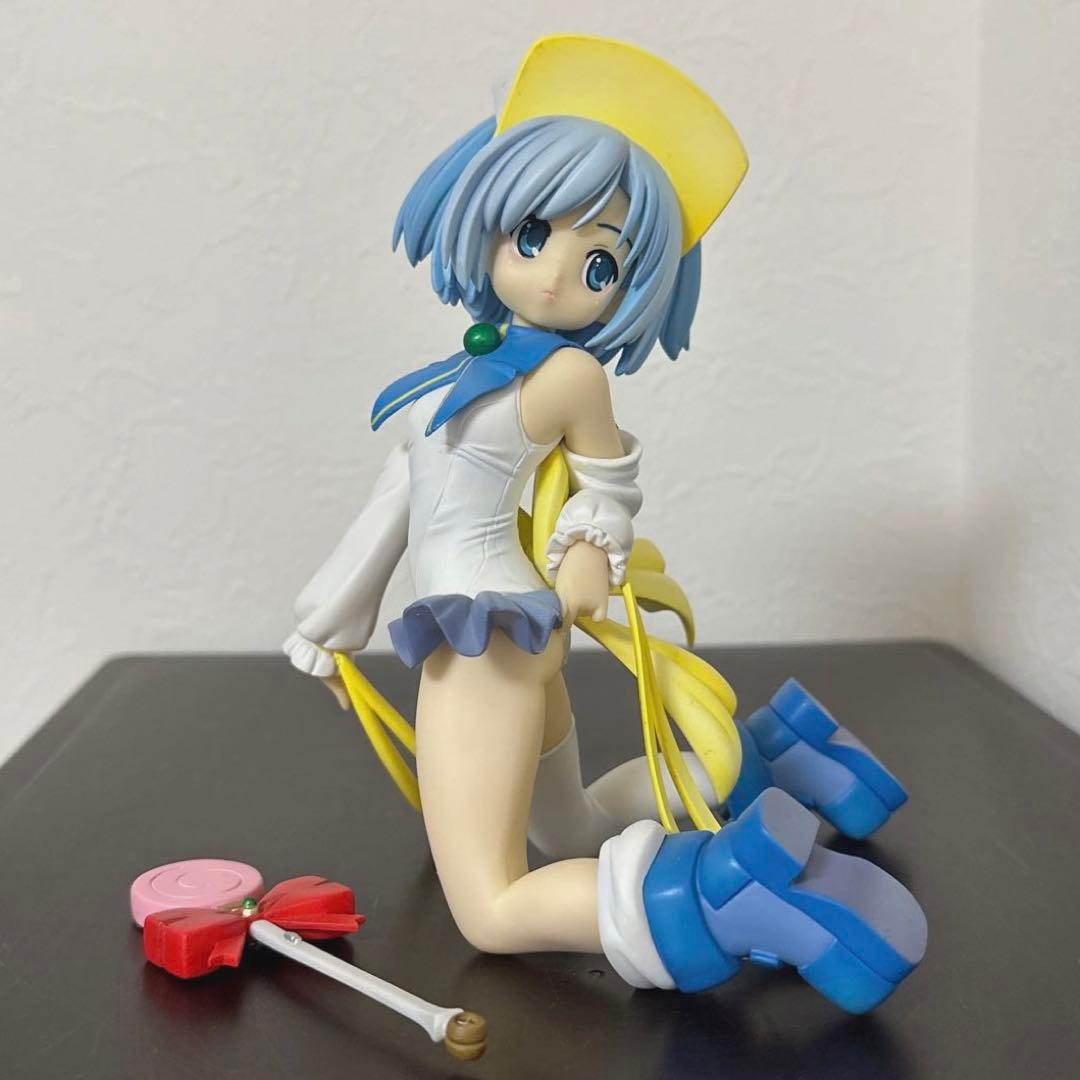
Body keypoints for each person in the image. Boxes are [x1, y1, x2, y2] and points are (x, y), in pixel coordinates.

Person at [283, 35, 926, 1013]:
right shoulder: (455, 377)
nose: (552, 277)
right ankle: (762, 762)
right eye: (532, 234)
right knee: (571, 832)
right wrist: (330, 619)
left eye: (598, 263)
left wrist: (590, 549)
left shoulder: (568, 374)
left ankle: (723, 898)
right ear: (486, 214)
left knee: (492, 910)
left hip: (482, 643)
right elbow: (398, 500)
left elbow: (608, 482)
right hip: (501, 639)